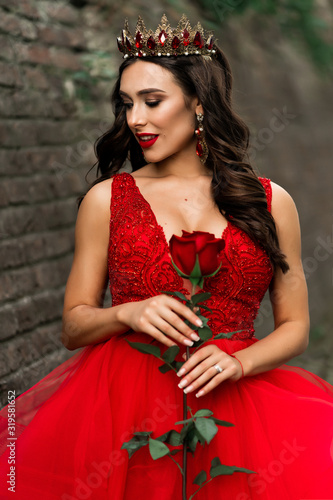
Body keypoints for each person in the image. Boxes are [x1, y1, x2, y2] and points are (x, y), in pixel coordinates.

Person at [0, 14, 332, 500]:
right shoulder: (107, 200)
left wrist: (241, 363)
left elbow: (295, 327)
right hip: (124, 409)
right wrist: (128, 312)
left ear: (198, 105)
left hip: (234, 402)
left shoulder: (269, 202)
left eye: (153, 102)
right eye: (127, 104)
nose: (136, 119)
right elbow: (74, 326)